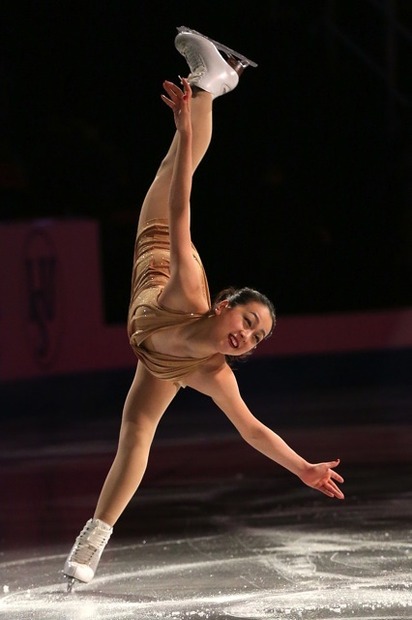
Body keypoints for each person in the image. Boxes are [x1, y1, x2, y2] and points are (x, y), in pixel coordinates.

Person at [63, 26, 344, 591]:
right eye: (248, 322)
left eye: (258, 338)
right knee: (177, 169)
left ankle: (90, 545)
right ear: (222, 306)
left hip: (157, 357)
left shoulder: (210, 373)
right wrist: (183, 130)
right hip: (163, 239)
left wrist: (304, 468)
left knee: (134, 437)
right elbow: (181, 202)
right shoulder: (189, 289)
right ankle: (211, 84)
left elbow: (254, 431)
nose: (249, 338)